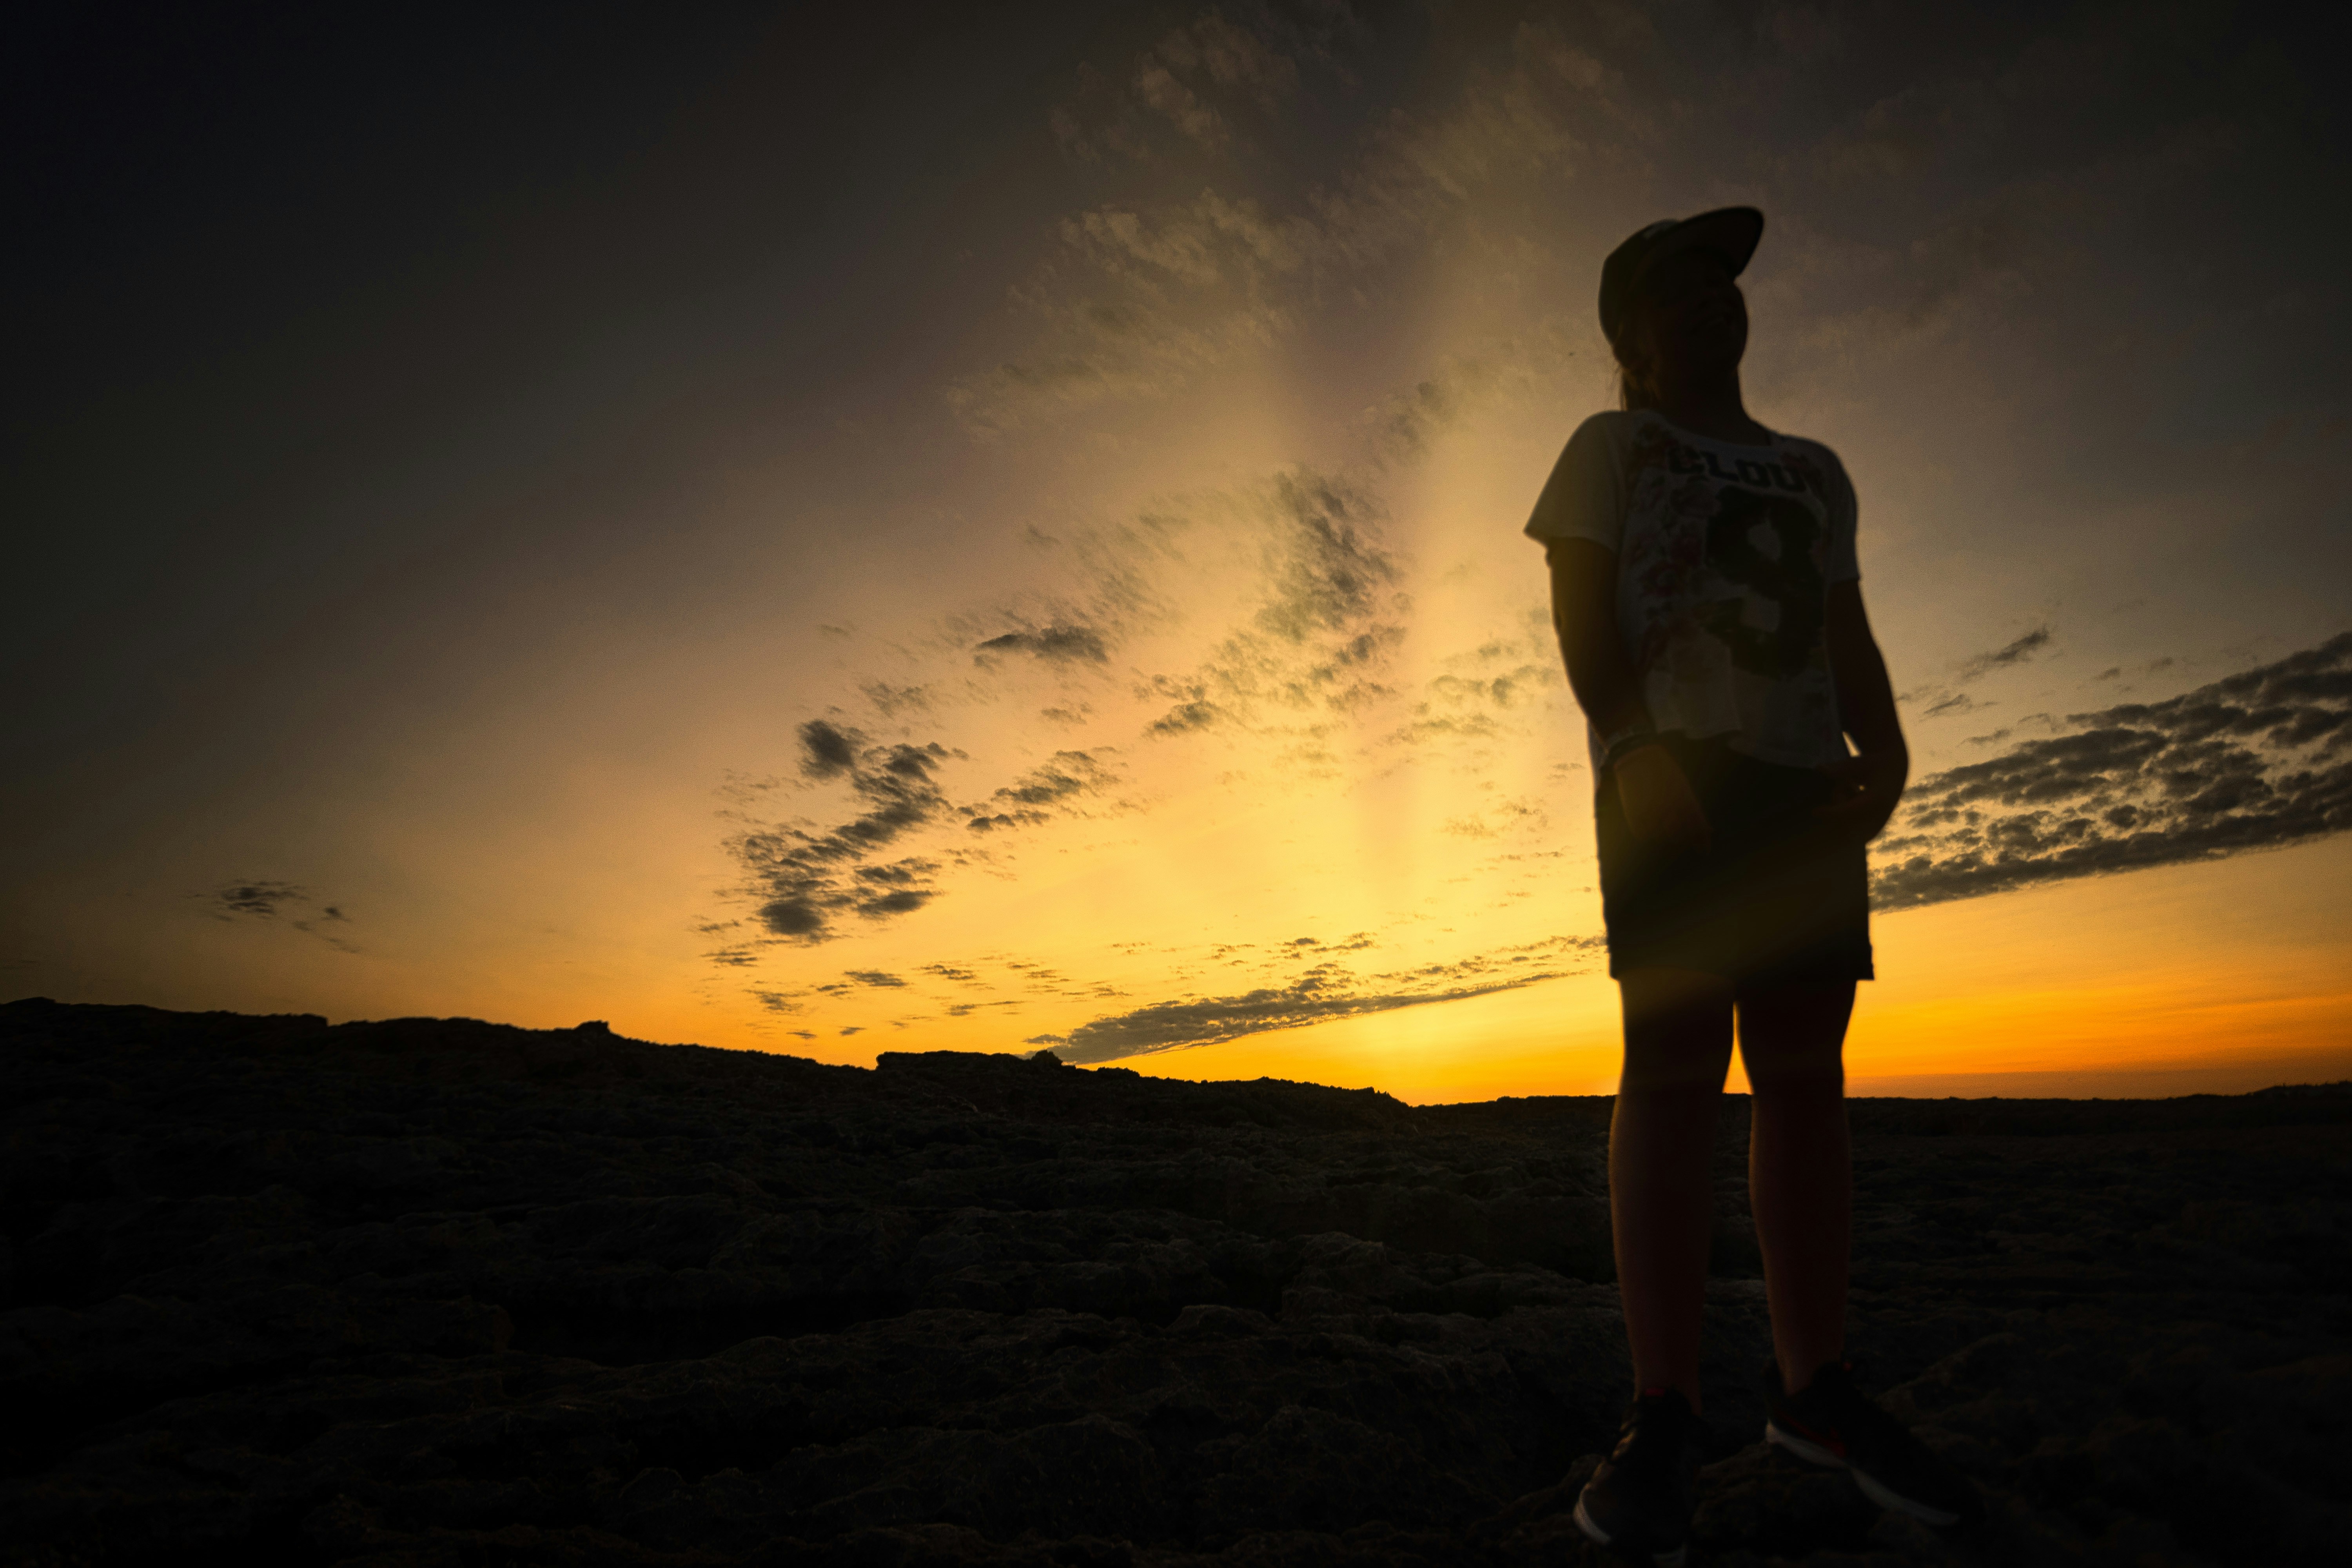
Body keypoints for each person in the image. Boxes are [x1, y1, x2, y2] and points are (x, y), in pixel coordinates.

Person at [1527, 208, 1979, 1565]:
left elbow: (1842, 625)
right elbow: (1585, 620)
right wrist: (1634, 749)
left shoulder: (1812, 469)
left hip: (1795, 789)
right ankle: (1662, 1410)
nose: (1716, 300)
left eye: (1727, 282)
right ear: (1632, 333)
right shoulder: (1610, 447)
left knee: (1800, 1070)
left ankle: (1813, 1390)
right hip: (1674, 779)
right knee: (1670, 1067)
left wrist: (1887, 743)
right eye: (1683, 285)